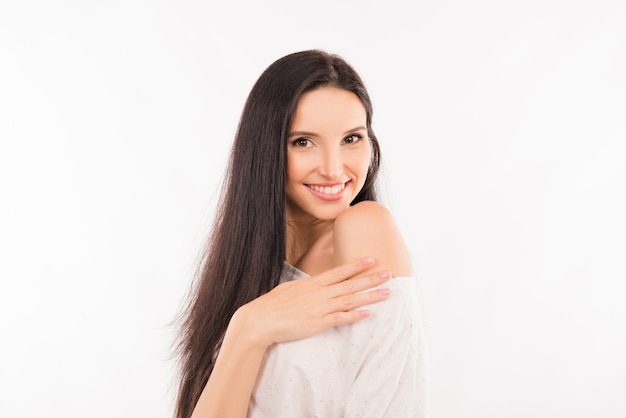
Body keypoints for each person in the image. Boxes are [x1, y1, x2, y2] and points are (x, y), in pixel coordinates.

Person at [173, 49, 428, 418]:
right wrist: (248, 328)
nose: (333, 168)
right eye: (303, 142)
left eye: (352, 139)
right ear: (265, 151)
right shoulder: (245, 274)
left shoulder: (365, 232)